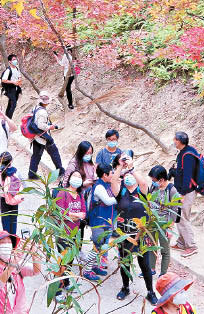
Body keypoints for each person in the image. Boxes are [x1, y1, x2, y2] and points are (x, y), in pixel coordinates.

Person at [114, 159, 158, 304]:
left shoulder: (142, 192)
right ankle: (125, 287)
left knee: (144, 264)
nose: (128, 176)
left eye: (130, 174)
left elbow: (144, 183)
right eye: (125, 175)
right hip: (124, 235)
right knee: (125, 262)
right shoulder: (121, 191)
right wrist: (120, 166)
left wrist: (132, 168)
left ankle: (150, 292)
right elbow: (114, 181)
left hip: (141, 235)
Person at [0, 231, 42, 314]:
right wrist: (12, 265)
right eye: (2, 242)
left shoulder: (18, 265)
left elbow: (36, 271)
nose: (7, 245)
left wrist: (34, 253)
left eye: (9, 242)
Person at [82, 161, 121, 281]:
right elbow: (109, 201)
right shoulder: (99, 186)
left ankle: (93, 266)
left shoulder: (106, 184)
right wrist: (121, 199)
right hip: (98, 222)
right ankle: (87, 270)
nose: (112, 175)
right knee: (97, 246)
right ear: (104, 175)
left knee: (100, 246)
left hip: (105, 221)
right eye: (111, 173)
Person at [54, 170, 87, 301]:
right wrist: (76, 215)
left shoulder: (80, 195)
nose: (77, 178)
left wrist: (74, 215)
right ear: (70, 178)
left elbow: (83, 213)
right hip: (63, 234)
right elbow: (62, 214)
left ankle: (66, 284)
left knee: (70, 261)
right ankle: (57, 290)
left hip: (75, 233)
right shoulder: (63, 193)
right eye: (75, 176)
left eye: (79, 177)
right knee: (62, 261)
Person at [169, 131, 199, 256]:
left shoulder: (187, 156)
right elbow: (182, 172)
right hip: (183, 190)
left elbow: (187, 177)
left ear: (179, 141)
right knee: (180, 217)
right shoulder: (183, 152)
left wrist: (182, 193)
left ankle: (191, 246)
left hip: (186, 191)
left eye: (174, 139)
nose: (173, 141)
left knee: (182, 218)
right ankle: (181, 243)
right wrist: (173, 172)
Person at [148, 165, 180, 277]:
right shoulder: (153, 187)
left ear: (161, 180)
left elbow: (175, 209)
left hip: (164, 224)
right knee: (152, 245)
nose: (153, 182)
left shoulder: (171, 190)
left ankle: (163, 273)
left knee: (164, 250)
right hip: (153, 221)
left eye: (154, 180)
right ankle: (151, 268)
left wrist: (170, 227)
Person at [27, 90, 64, 180]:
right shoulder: (42, 112)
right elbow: (41, 125)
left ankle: (31, 174)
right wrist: (50, 127)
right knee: (53, 152)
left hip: (36, 136)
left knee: (36, 155)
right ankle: (60, 170)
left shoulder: (36, 108)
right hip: (42, 137)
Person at [0, 159, 24, 236]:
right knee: (13, 219)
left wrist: (5, 195)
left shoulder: (0, 173)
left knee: (5, 219)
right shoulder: (16, 172)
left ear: (0, 161)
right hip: (15, 198)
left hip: (4, 200)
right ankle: (13, 238)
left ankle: (7, 238)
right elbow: (23, 184)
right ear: (11, 161)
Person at [0, 54, 22, 119]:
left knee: (10, 104)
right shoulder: (8, 70)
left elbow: (19, 77)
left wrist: (19, 81)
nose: (15, 61)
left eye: (16, 59)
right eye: (14, 60)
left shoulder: (17, 68)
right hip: (10, 89)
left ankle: (6, 118)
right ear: (10, 61)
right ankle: (9, 120)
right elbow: (3, 80)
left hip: (16, 88)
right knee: (13, 104)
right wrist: (13, 82)